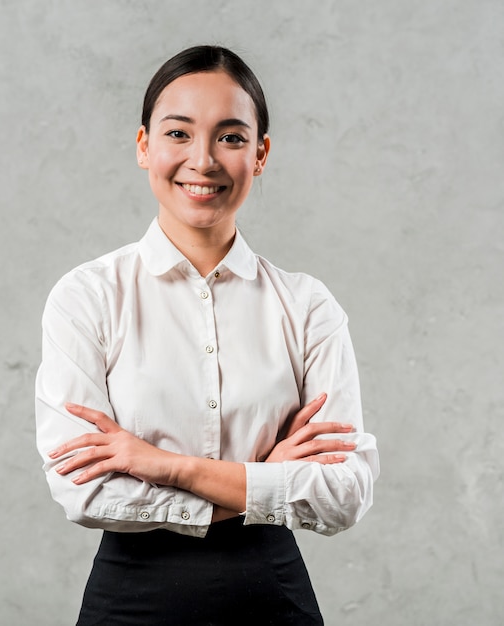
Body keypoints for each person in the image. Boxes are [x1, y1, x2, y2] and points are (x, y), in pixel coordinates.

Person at [35, 45, 379, 626]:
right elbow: (84, 492)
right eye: (178, 133)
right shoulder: (87, 297)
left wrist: (165, 466)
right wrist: (265, 479)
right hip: (130, 603)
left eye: (231, 137)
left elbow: (344, 492)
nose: (203, 160)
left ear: (260, 154)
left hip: (273, 600)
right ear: (144, 146)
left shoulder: (308, 306)